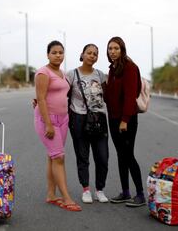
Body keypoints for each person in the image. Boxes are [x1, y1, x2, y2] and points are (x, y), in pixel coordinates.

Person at [34, 40, 82, 212]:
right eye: (54, 52)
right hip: (49, 120)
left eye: (61, 52)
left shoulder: (62, 73)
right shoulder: (43, 72)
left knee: (53, 157)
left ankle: (51, 194)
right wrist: (48, 124)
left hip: (63, 119)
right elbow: (40, 98)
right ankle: (67, 198)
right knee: (59, 157)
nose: (58, 55)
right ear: (48, 54)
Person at [104, 36, 146, 207]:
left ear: (122, 49)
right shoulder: (113, 69)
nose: (112, 52)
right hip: (113, 118)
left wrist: (125, 120)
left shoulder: (130, 67)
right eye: (110, 49)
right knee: (121, 156)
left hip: (126, 120)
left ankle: (140, 194)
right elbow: (110, 97)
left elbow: (131, 96)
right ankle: (126, 192)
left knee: (128, 156)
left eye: (116, 48)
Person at [67, 44, 109, 204]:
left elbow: (108, 95)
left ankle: (100, 189)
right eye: (89, 53)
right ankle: (86, 189)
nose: (92, 56)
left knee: (102, 157)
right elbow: (61, 93)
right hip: (79, 118)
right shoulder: (72, 74)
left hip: (99, 118)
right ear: (82, 54)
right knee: (82, 156)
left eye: (95, 54)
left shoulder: (100, 75)